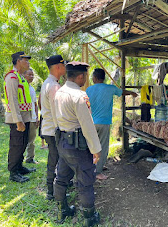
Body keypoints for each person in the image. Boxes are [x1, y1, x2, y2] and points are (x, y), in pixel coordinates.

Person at [54, 61, 101, 226]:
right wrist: (96, 149)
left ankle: (62, 210)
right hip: (77, 146)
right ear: (81, 76)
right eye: (85, 76)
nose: (85, 80)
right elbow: (87, 125)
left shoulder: (59, 92)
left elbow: (55, 118)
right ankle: (89, 218)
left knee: (61, 177)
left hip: (62, 142)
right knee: (85, 181)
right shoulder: (79, 96)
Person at [86, 68, 137, 180]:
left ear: (94, 78)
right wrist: (132, 93)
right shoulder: (110, 88)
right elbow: (122, 92)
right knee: (102, 147)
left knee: (92, 146)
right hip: (104, 123)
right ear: (103, 78)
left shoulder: (88, 90)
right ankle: (97, 172)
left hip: (91, 123)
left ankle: (92, 167)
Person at [4, 51, 36, 183]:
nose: (28, 63)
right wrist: (18, 121)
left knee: (22, 143)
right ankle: (13, 172)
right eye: (26, 60)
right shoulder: (12, 77)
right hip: (18, 118)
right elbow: (13, 100)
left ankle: (19, 166)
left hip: (25, 116)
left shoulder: (20, 77)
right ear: (18, 61)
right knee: (16, 144)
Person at [40, 55, 66, 200]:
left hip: (49, 129)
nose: (65, 68)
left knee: (53, 158)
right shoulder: (54, 86)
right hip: (54, 130)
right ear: (58, 67)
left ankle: (52, 189)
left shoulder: (48, 83)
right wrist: (61, 130)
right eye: (63, 65)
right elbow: (57, 112)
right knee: (56, 159)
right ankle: (52, 191)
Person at [23, 69, 39, 164]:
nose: (31, 77)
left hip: (32, 118)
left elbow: (35, 104)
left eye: (32, 75)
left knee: (31, 140)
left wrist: (37, 117)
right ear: (24, 75)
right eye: (29, 75)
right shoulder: (21, 88)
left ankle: (30, 158)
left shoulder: (32, 89)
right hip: (24, 118)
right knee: (23, 140)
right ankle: (20, 159)